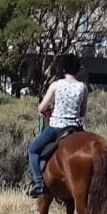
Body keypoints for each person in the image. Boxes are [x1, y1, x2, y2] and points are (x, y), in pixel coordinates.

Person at [26, 52, 89, 197]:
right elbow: (82, 113)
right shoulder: (83, 87)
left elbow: (41, 108)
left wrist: (50, 109)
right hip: (76, 127)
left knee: (32, 151)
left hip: (57, 128)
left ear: (63, 69)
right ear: (77, 69)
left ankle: (38, 183)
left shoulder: (56, 85)